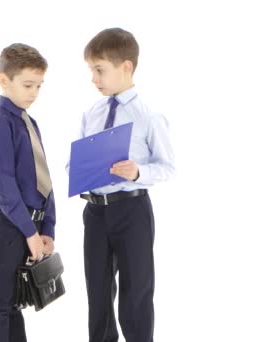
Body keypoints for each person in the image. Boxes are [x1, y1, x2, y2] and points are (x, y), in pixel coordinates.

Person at [72, 27, 175, 342]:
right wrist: (78, 169)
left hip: (132, 210)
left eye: (99, 70)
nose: (94, 78)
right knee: (98, 293)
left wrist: (136, 172)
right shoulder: (92, 113)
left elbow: (167, 167)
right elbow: (73, 160)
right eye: (92, 70)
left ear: (126, 67)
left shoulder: (148, 116)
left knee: (136, 292)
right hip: (96, 212)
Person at [0, 43, 56, 342]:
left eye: (39, 86)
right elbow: (6, 186)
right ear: (3, 80)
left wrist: (47, 227)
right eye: (28, 85)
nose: (34, 93)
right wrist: (28, 232)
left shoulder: (29, 123)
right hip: (9, 225)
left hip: (30, 225)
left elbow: (44, 177)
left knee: (16, 301)